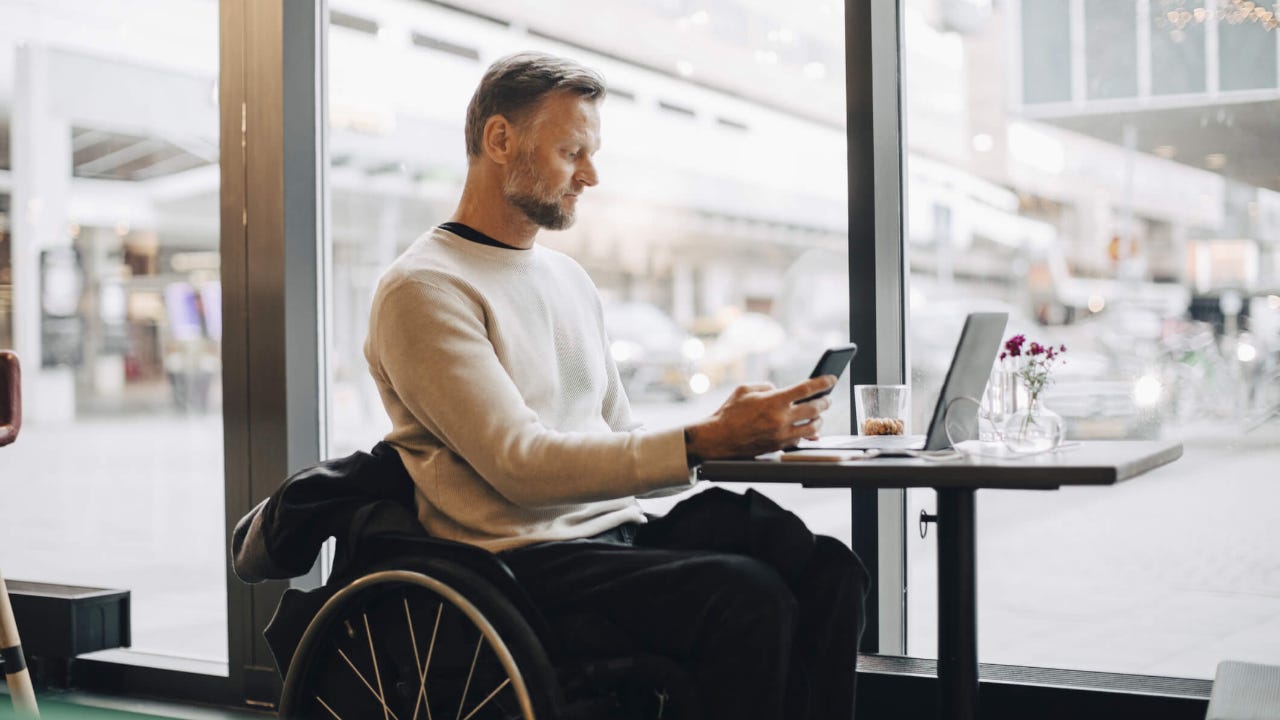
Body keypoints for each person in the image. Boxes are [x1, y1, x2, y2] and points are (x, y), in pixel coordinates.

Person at [364, 51, 869, 720]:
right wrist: (700, 439)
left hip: (616, 535)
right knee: (748, 598)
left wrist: (731, 435)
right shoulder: (425, 289)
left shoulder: (569, 280)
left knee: (832, 572)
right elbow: (520, 465)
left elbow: (623, 445)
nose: (591, 175)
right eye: (572, 150)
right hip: (520, 563)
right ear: (499, 139)